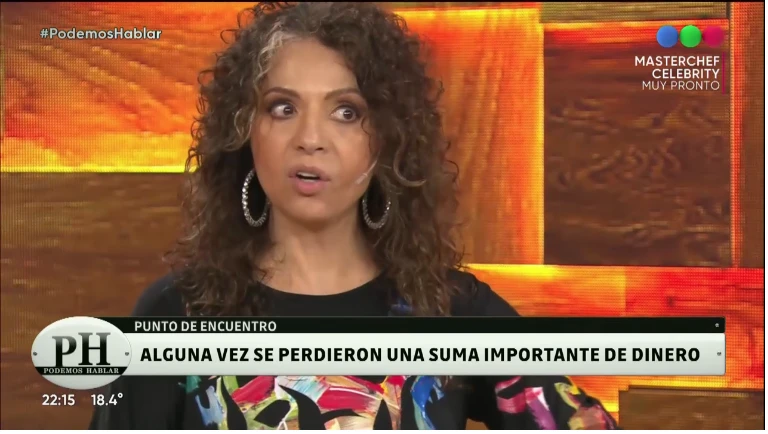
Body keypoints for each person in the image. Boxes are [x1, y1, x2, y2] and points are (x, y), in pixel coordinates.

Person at [90, 2, 618, 430]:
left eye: (347, 112)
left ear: (386, 140)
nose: (310, 139)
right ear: (245, 131)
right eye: (283, 108)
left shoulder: (452, 313)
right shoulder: (176, 316)